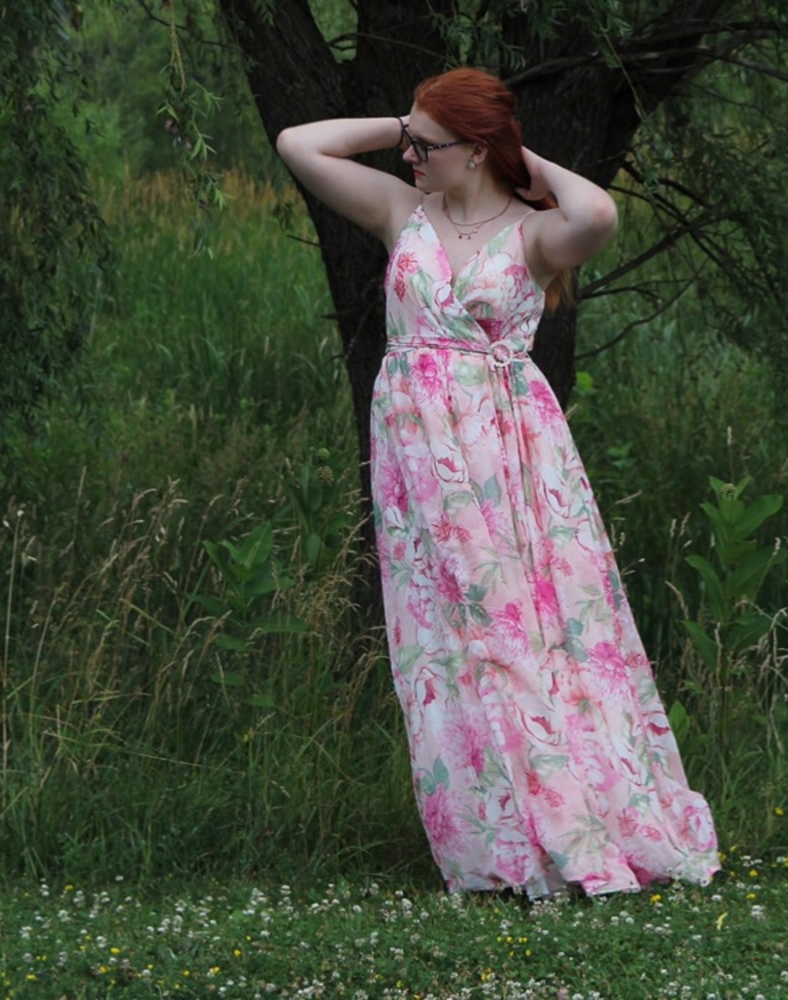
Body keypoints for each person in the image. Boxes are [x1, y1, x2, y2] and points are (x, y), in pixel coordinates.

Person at [277, 67, 719, 898]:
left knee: (532, 634)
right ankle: (496, 846)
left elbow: (598, 212)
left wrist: (517, 152)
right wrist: (408, 122)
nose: (409, 155)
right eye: (407, 142)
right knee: (445, 647)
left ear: (476, 150)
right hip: (418, 463)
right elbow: (296, 143)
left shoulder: (534, 235)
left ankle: (574, 823)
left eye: (426, 145)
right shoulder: (403, 213)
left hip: (508, 462)